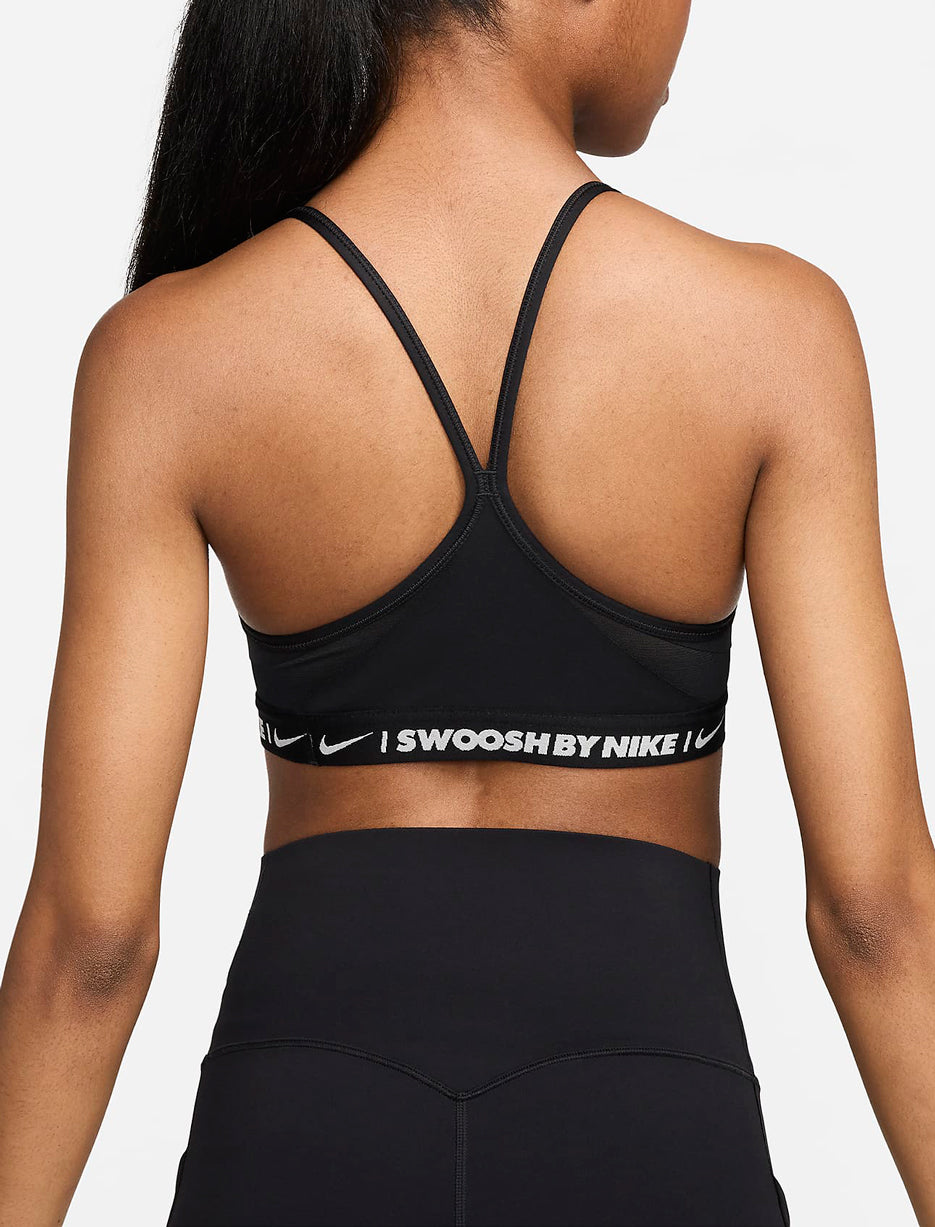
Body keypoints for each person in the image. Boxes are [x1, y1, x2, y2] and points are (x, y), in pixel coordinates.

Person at [1, 0, 934, 1223]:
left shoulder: (166, 355)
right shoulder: (772, 332)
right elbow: (876, 916)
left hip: (298, 1123)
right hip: (648, 1124)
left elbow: (89, 945)